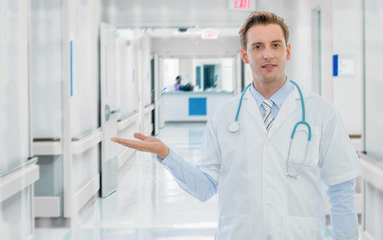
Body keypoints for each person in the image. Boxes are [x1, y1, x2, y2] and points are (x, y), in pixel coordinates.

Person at [111, 11, 361, 240]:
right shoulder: (224, 115)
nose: (267, 54)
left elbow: (341, 191)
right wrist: (167, 155)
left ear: (287, 51)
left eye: (275, 45)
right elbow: (205, 188)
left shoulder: (321, 112)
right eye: (257, 46)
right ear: (245, 55)